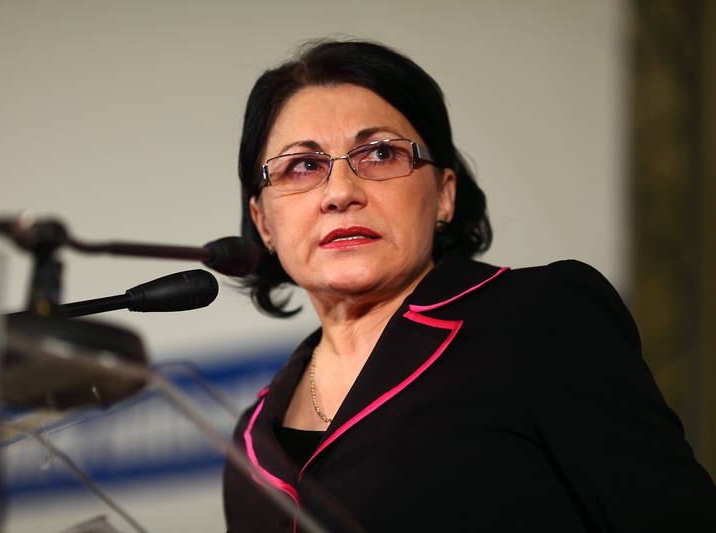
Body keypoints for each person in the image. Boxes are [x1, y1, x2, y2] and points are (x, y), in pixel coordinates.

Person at [222, 40, 716, 532]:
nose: (340, 192)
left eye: (380, 154)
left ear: (444, 194)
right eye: (303, 166)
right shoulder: (249, 441)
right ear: (263, 222)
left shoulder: (539, 319)